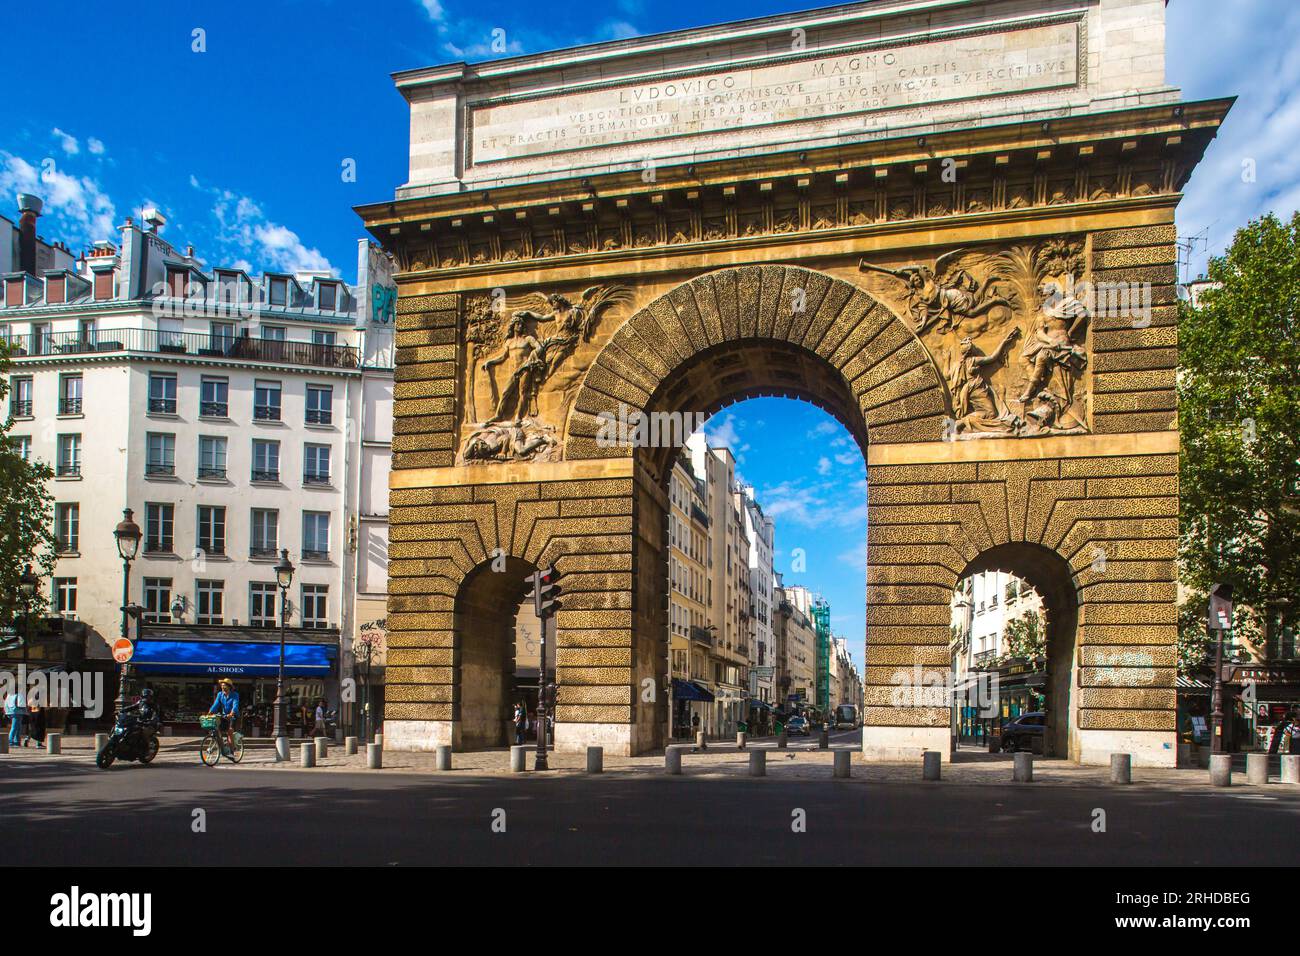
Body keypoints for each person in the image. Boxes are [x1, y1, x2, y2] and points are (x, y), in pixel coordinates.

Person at [208, 679, 240, 755]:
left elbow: (235, 705)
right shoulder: (220, 694)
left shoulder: (235, 694)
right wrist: (210, 712)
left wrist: (232, 713)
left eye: (224, 685)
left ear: (229, 687)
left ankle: (232, 752)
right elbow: (216, 704)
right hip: (224, 715)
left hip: (233, 716)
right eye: (221, 685)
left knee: (230, 731)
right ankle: (223, 748)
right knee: (217, 729)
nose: (222, 687)